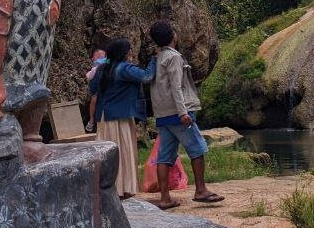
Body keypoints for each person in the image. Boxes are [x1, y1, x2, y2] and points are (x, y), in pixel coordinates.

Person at [148, 20, 222, 208]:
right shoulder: (174, 57)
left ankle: (165, 198)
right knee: (197, 149)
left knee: (164, 155)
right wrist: (183, 112)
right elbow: (176, 86)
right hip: (177, 113)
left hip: (162, 114)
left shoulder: (157, 57)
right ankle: (200, 190)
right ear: (173, 36)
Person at [87, 38, 154, 199]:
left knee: (107, 154)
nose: (131, 52)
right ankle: (123, 188)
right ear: (124, 53)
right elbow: (146, 76)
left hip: (104, 117)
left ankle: (108, 187)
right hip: (120, 116)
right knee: (124, 152)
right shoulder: (125, 69)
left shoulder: (101, 69)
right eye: (129, 49)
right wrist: (154, 60)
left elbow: (93, 89)